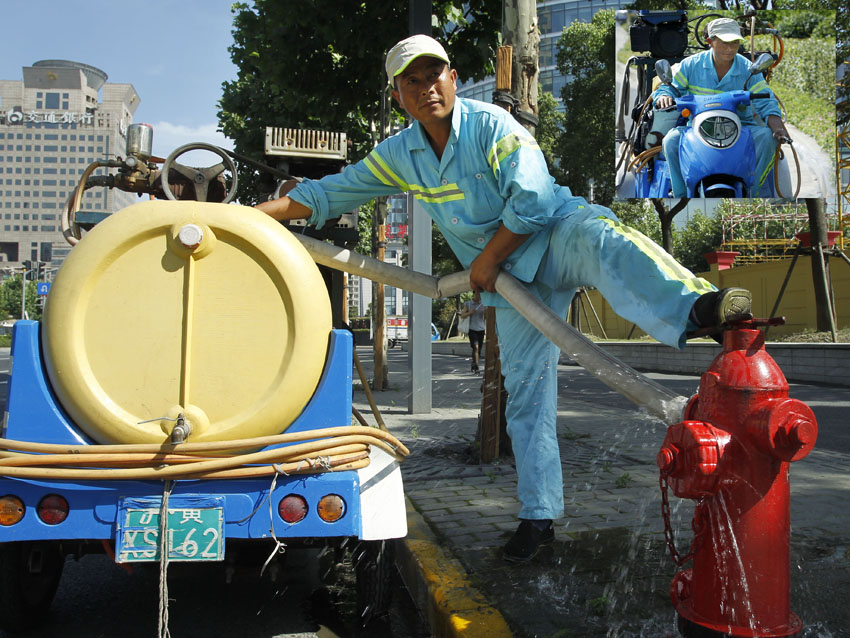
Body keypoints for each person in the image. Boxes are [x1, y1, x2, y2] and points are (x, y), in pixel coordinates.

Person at [256, 34, 752, 562]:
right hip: (509, 286)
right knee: (527, 398)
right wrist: (249, 217)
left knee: (606, 239)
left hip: (553, 238)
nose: (427, 89)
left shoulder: (492, 125)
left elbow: (535, 200)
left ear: (452, 76)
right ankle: (538, 521)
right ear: (399, 95)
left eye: (435, 76)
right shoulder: (401, 155)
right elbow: (330, 192)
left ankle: (699, 309)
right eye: (412, 82)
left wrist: (487, 260)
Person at [653, 17, 790, 198]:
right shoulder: (691, 65)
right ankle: (680, 194)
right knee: (671, 140)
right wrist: (664, 95)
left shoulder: (749, 69)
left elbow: (767, 101)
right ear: (710, 41)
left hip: (742, 129)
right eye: (724, 43)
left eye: (734, 43)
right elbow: (669, 87)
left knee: (767, 138)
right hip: (698, 130)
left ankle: (753, 192)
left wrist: (778, 127)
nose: (730, 48)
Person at [460, 291, 486, 374]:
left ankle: (474, 363)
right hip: (472, 329)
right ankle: (477, 367)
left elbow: (486, 317)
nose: (479, 296)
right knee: (476, 347)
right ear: (474, 294)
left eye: (480, 295)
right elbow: (462, 315)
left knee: (478, 349)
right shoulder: (468, 304)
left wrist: (486, 312)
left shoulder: (483, 304)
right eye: (477, 294)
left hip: (481, 329)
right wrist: (470, 312)